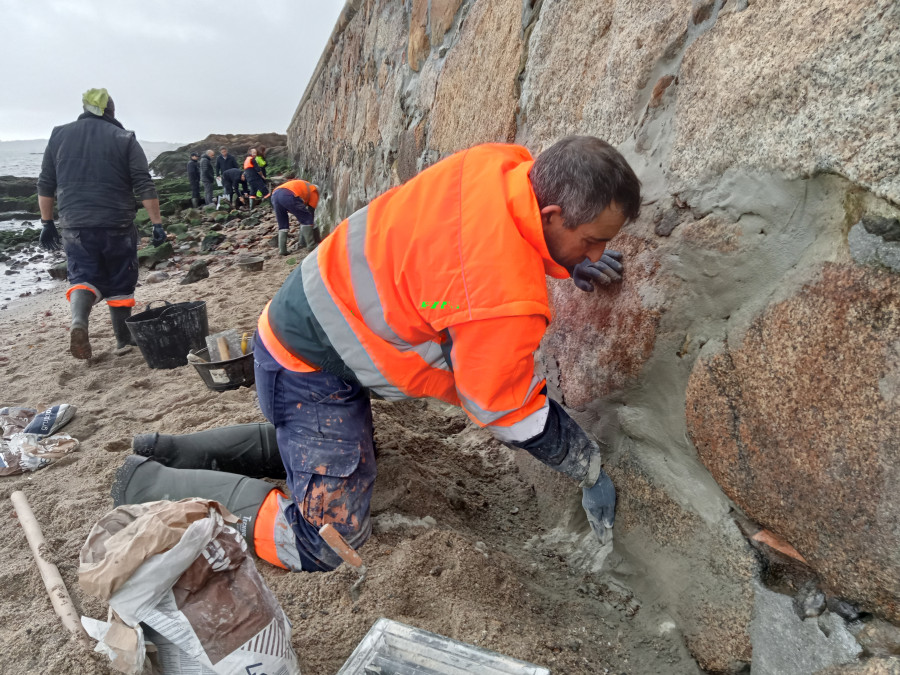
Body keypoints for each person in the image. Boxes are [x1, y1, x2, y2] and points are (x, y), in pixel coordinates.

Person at [113, 137, 639, 574]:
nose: (597, 255)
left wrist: (565, 262)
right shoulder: (498, 297)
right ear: (550, 214)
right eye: (591, 241)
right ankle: (147, 481)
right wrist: (586, 464)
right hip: (308, 367)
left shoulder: (499, 165)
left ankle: (169, 448)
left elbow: (450, 288)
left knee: (347, 457)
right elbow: (502, 406)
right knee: (325, 543)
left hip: (308, 318)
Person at [37, 88, 166, 360]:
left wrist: (47, 222)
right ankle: (122, 340)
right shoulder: (124, 137)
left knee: (83, 276)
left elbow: (46, 182)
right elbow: (144, 183)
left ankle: (79, 322)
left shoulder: (58, 134)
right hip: (116, 222)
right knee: (120, 278)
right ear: (111, 111)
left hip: (75, 224)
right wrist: (156, 223)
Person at [271, 179, 320, 255]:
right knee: (307, 218)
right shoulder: (314, 191)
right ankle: (311, 245)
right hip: (288, 195)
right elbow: (310, 213)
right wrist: (316, 236)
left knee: (283, 224)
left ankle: (282, 250)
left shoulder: (305, 186)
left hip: (275, 195)